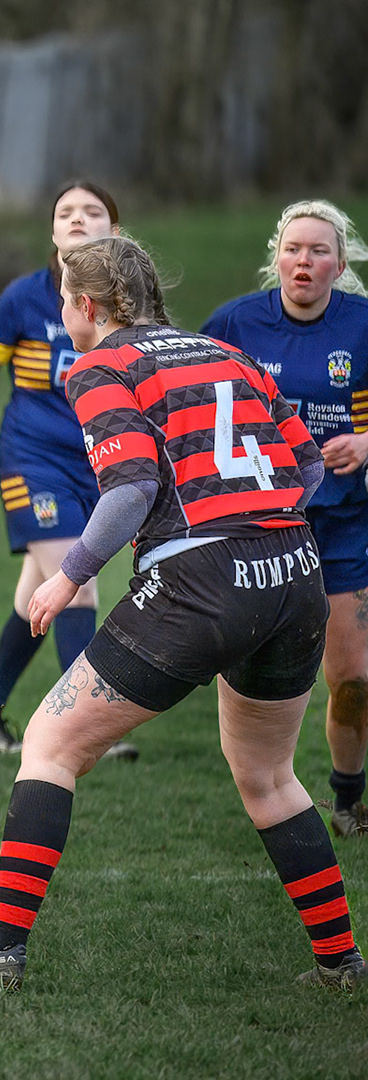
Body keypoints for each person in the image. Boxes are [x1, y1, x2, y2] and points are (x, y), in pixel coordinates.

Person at [0, 235, 361, 990]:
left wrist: (66, 577)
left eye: (64, 302)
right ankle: (341, 963)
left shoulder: (99, 365)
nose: (62, 316)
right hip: (296, 572)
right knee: (272, 776)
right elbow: (307, 461)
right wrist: (263, 521)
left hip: (202, 578)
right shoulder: (227, 354)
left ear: (87, 306)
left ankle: (0, 950)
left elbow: (130, 490)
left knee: (48, 740)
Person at [0, 181, 136, 761]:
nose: (77, 220)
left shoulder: (129, 306)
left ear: (114, 231)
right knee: (78, 583)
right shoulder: (24, 298)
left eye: (93, 212)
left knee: (34, 599)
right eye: (65, 212)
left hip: (97, 466)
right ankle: (88, 725)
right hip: (31, 461)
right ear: (51, 230)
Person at [202, 199, 368, 837]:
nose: (305, 260)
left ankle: (349, 796)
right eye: (294, 248)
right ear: (277, 256)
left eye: (318, 250)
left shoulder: (361, 326)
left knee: (351, 678)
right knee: (254, 666)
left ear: (339, 263)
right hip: (262, 522)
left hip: (345, 523)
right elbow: (189, 397)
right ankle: (265, 783)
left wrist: (364, 442)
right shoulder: (236, 324)